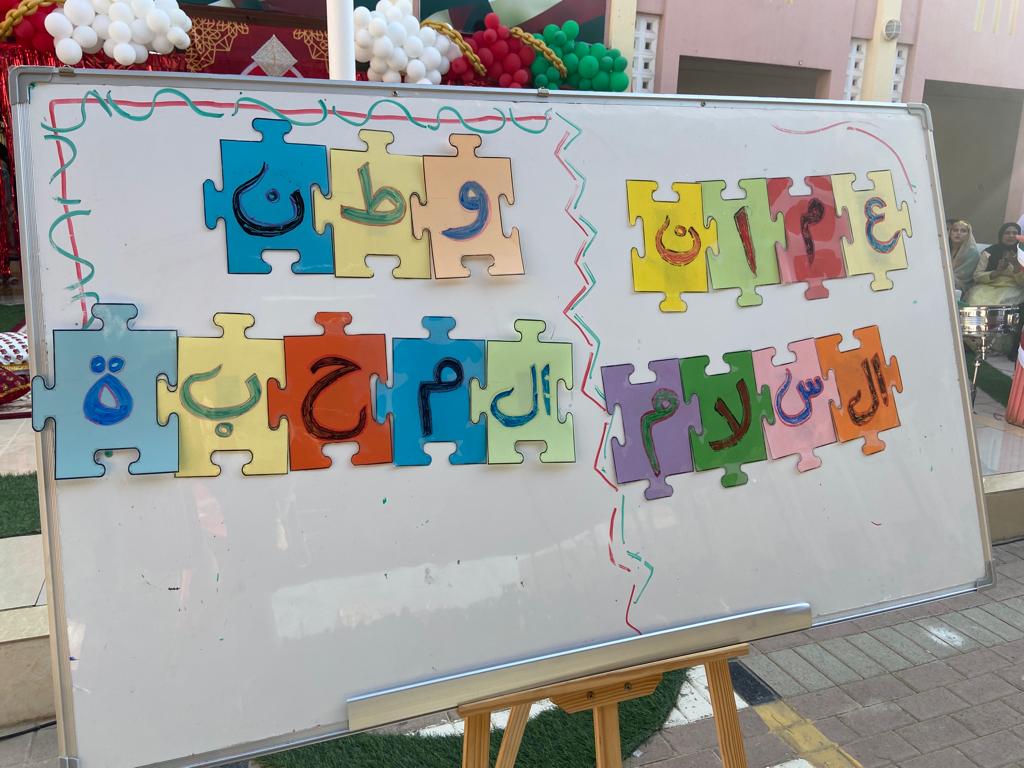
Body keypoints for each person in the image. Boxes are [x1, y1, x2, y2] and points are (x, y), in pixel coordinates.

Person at [965, 221, 1024, 306]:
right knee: (975, 300)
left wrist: (1016, 268)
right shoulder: (989, 252)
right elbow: (977, 276)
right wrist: (997, 272)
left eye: (1015, 233)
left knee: (1003, 302)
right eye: (1007, 233)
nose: (1011, 236)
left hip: (1014, 288)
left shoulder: (1022, 253)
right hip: (988, 287)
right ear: (1001, 235)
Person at [948, 219, 980, 293]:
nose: (958, 233)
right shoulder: (944, 249)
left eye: (963, 231)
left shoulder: (973, 253)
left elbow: (963, 276)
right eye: (955, 230)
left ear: (968, 235)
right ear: (950, 233)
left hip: (961, 286)